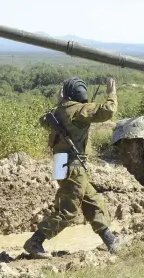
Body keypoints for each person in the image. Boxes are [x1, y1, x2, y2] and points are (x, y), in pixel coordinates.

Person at [23, 76, 119, 259]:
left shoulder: (58, 112)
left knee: (92, 201)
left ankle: (110, 240)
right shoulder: (81, 110)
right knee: (68, 211)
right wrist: (111, 93)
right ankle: (35, 242)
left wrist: (60, 102)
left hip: (60, 164)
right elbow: (108, 110)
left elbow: (44, 120)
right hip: (73, 166)